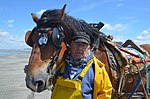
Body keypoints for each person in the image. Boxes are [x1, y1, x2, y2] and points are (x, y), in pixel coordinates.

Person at [51, 32, 112, 99]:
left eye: (83, 45)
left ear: (89, 48)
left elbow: (105, 93)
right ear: (71, 45)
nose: (79, 48)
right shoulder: (59, 65)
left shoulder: (98, 70)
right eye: (77, 44)